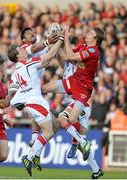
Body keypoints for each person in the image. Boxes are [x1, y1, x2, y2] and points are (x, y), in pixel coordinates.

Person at [43, 26, 105, 161]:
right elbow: (66, 56)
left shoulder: (93, 51)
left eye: (90, 33)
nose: (87, 33)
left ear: (96, 39)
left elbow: (70, 56)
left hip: (83, 89)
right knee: (45, 88)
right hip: (73, 81)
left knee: (71, 120)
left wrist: (65, 37)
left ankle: (78, 142)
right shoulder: (84, 47)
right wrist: (59, 41)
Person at [7, 34, 64, 176]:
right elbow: (48, 58)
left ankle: (36, 153)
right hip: (35, 102)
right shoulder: (28, 64)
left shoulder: (15, 72)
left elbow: (14, 88)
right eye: (21, 50)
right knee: (48, 131)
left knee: (56, 126)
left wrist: (13, 101)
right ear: (18, 56)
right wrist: (59, 42)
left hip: (30, 104)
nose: (23, 50)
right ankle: (30, 156)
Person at [19, 27, 58, 146]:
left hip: (37, 86)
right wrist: (48, 41)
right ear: (23, 40)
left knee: (53, 125)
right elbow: (36, 48)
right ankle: (35, 139)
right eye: (27, 33)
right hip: (27, 88)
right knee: (48, 126)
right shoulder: (23, 49)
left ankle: (35, 139)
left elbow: (51, 51)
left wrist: (59, 38)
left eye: (32, 31)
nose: (31, 33)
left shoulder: (42, 47)